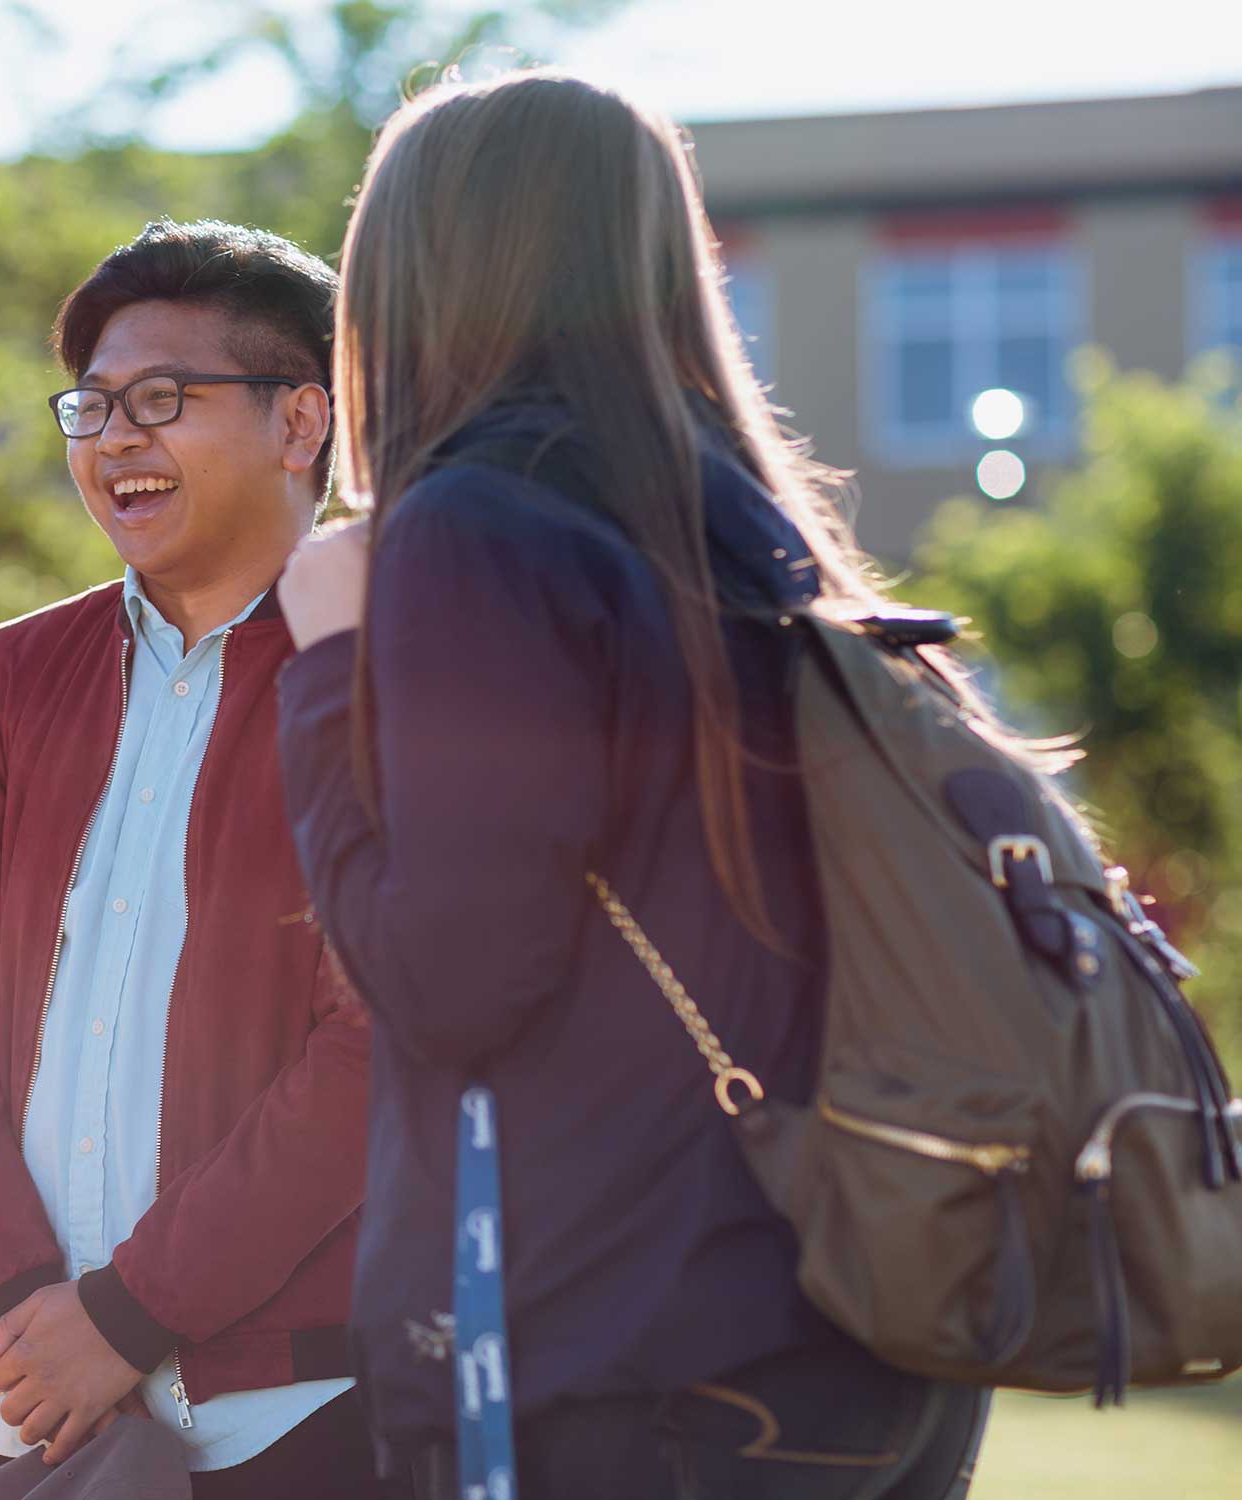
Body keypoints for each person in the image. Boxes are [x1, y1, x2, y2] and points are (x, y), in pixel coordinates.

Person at [275, 72, 991, 1499]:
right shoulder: (763, 538)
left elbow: (452, 980)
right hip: (875, 1335)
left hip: (629, 1358)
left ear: (414, 283)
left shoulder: (480, 530)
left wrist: (326, 662)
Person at [0, 219, 380, 1499]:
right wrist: (21, 1307)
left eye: (162, 401)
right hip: (36, 1411)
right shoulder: (5, 683)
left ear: (300, 420)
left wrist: (133, 1312)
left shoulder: (376, 672)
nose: (113, 441)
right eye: (91, 407)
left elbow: (379, 1040)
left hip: (301, 1410)